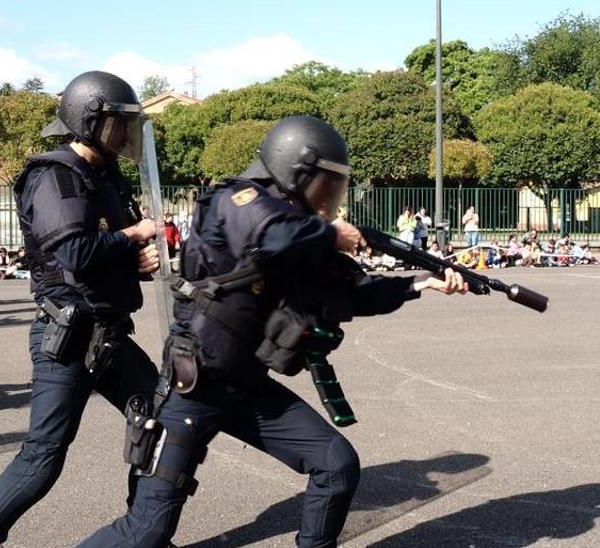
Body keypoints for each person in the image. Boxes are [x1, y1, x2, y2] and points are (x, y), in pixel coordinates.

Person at [79, 114, 469, 547]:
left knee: (335, 464)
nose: (330, 197)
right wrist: (330, 232)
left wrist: (421, 283)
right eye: (325, 182)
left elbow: (350, 293)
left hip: (247, 388)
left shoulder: (302, 230)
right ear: (295, 169)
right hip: (197, 386)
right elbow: (276, 235)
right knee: (148, 529)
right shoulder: (236, 200)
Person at [0, 71, 163, 547]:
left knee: (159, 424)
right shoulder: (55, 174)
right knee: (44, 454)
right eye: (119, 123)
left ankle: (142, 532)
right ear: (89, 120)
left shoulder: (106, 176)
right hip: (69, 337)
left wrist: (137, 259)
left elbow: (107, 251)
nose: (126, 134)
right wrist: (133, 238)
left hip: (111, 334)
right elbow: (73, 253)